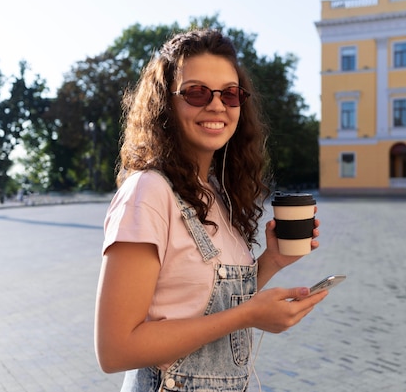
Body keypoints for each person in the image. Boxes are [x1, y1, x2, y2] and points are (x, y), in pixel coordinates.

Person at [94, 28, 327, 392]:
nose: (217, 105)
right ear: (165, 103)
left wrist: (271, 262)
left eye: (230, 94)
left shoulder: (214, 192)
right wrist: (248, 316)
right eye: (197, 92)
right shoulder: (148, 192)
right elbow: (115, 349)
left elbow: (198, 302)